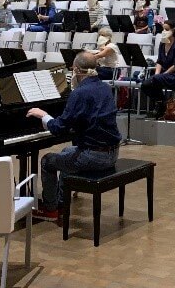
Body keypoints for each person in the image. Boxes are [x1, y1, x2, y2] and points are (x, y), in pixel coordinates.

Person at [27, 51, 121, 221]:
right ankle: (61, 202)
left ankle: (50, 209)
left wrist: (43, 115)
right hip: (112, 153)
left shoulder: (79, 93)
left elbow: (58, 128)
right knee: (66, 151)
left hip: (95, 157)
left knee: (47, 161)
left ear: (76, 69)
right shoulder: (104, 87)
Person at [140, 21, 175, 117]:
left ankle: (160, 105)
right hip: (161, 74)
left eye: (166, 29)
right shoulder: (162, 43)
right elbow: (159, 61)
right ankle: (161, 102)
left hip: (172, 75)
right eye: (163, 29)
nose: (164, 31)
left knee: (153, 80)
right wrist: (157, 74)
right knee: (145, 85)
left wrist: (162, 75)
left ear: (173, 30)